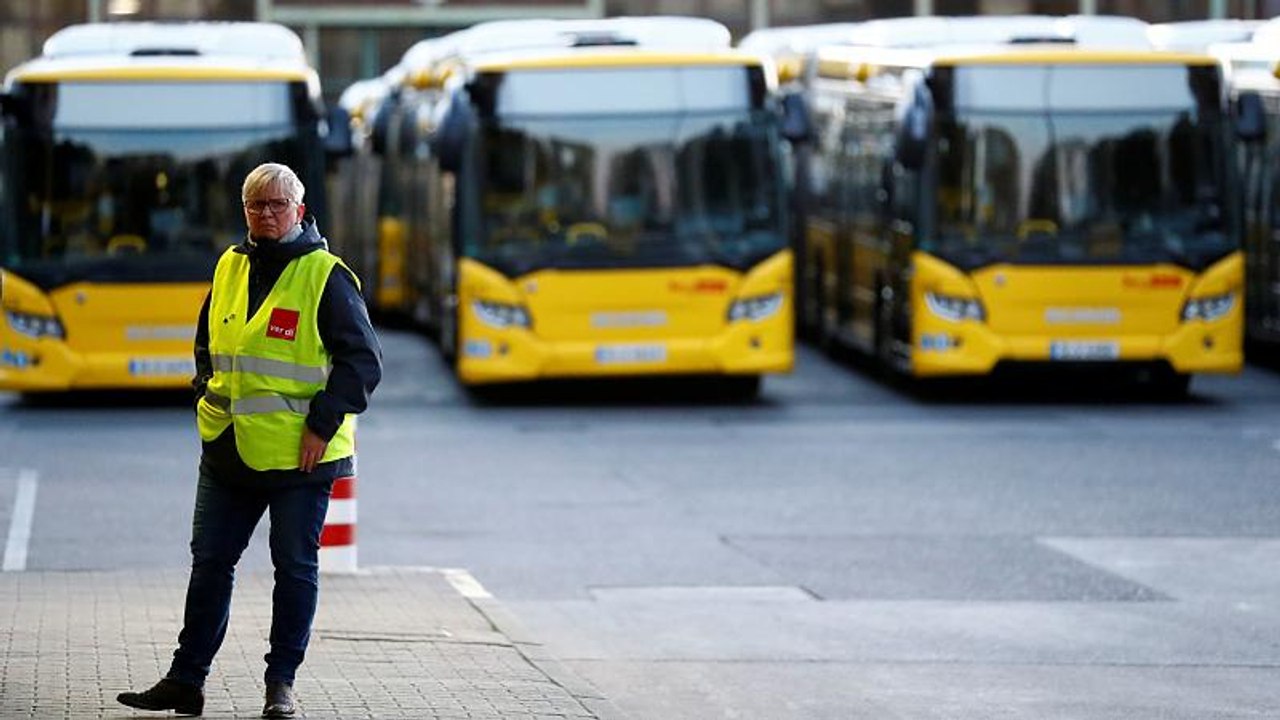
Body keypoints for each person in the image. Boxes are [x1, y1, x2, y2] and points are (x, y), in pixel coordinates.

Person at [117, 163, 382, 718]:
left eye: (276, 205)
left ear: (299, 212)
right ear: (245, 211)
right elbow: (206, 342)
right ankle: (186, 680)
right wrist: (203, 393)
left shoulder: (325, 276)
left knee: (294, 566)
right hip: (227, 447)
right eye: (255, 205)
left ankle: (280, 684)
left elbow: (363, 363)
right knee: (210, 562)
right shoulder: (230, 265)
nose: (265, 214)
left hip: (300, 457)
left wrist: (321, 424)